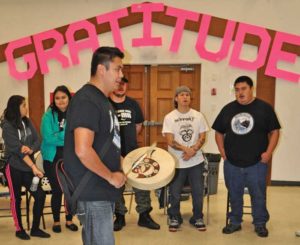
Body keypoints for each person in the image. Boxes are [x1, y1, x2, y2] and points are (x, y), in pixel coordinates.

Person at [64, 46, 127, 245]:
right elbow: (82, 150)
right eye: (118, 69)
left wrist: (123, 164)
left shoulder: (103, 101)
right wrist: (110, 176)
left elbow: (106, 143)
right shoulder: (87, 100)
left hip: (101, 190)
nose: (121, 75)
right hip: (93, 192)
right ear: (102, 69)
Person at [212, 76, 281, 238]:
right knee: (234, 194)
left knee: (258, 195)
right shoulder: (228, 109)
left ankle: (260, 223)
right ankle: (235, 222)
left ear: (251, 89)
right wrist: (223, 152)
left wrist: (268, 153)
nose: (240, 93)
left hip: (257, 163)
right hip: (233, 163)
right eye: (237, 90)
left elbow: (275, 132)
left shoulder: (264, 108)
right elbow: (218, 132)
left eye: (243, 89)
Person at [109, 77, 160, 231]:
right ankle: (119, 216)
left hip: (132, 151)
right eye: (117, 83)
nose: (120, 87)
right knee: (116, 185)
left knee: (141, 183)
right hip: (112, 153)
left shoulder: (133, 104)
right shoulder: (105, 104)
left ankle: (144, 215)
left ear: (126, 86)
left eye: (123, 84)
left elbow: (138, 126)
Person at [1, 95, 51, 240]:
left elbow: (38, 140)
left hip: (27, 170)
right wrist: (34, 167)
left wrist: (30, 149)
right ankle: (19, 228)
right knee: (16, 199)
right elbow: (17, 150)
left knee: (39, 195)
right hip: (14, 168)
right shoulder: (7, 126)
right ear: (16, 108)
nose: (26, 108)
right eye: (24, 105)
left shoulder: (27, 121)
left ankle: (35, 228)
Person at [162, 86, 209, 232]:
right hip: (177, 162)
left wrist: (193, 150)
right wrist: (186, 150)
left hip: (196, 161)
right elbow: (170, 141)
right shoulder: (170, 117)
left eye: (188, 95)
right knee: (175, 192)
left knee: (197, 191)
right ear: (176, 98)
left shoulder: (198, 116)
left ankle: (198, 217)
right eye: (182, 95)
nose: (185, 97)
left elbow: (202, 136)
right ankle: (175, 217)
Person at [40, 85, 78, 233]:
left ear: (69, 98)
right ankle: (56, 221)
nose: (60, 101)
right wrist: (67, 136)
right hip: (52, 158)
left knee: (70, 189)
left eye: (63, 97)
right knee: (57, 190)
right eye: (57, 98)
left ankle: (69, 220)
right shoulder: (48, 116)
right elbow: (48, 138)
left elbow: (77, 135)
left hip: (70, 158)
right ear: (53, 100)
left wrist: (59, 135)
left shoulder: (75, 114)